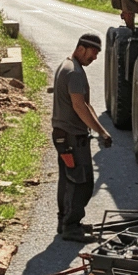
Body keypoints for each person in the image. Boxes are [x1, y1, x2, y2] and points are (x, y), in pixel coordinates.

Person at [52, 33, 112, 242]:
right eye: (92, 54)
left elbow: (87, 105)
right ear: (81, 48)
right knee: (80, 183)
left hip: (66, 136)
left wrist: (100, 129)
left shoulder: (69, 66)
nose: (94, 58)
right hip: (70, 137)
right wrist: (102, 132)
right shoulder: (74, 72)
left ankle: (67, 222)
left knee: (69, 181)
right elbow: (79, 107)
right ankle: (70, 227)